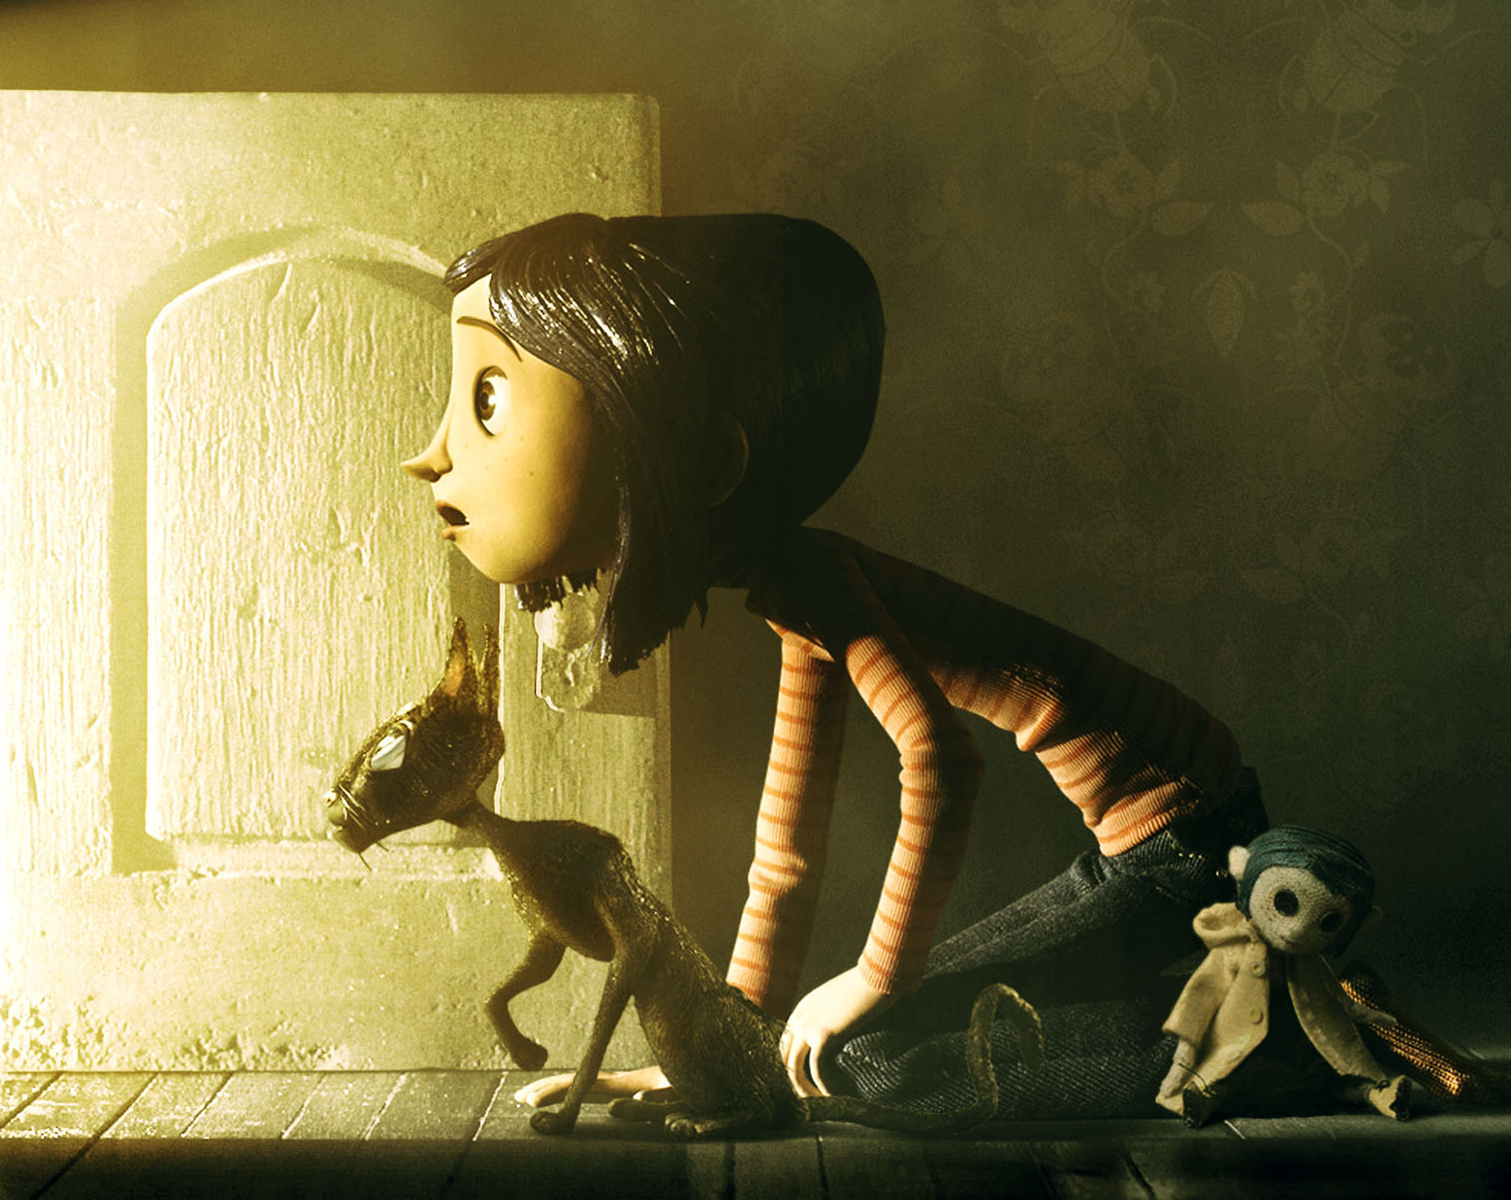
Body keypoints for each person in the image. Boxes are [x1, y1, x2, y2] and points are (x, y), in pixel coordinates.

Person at [401, 212, 1267, 1116]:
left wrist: (874, 977)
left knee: (870, 1061)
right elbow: (787, 854)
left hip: (1189, 842)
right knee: (843, 1053)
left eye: (490, 401)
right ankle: (1231, 1005)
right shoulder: (801, 590)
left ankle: (1259, 1044)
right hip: (1156, 839)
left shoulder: (819, 585)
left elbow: (940, 759)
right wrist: (723, 1056)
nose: (431, 458)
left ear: (705, 459)